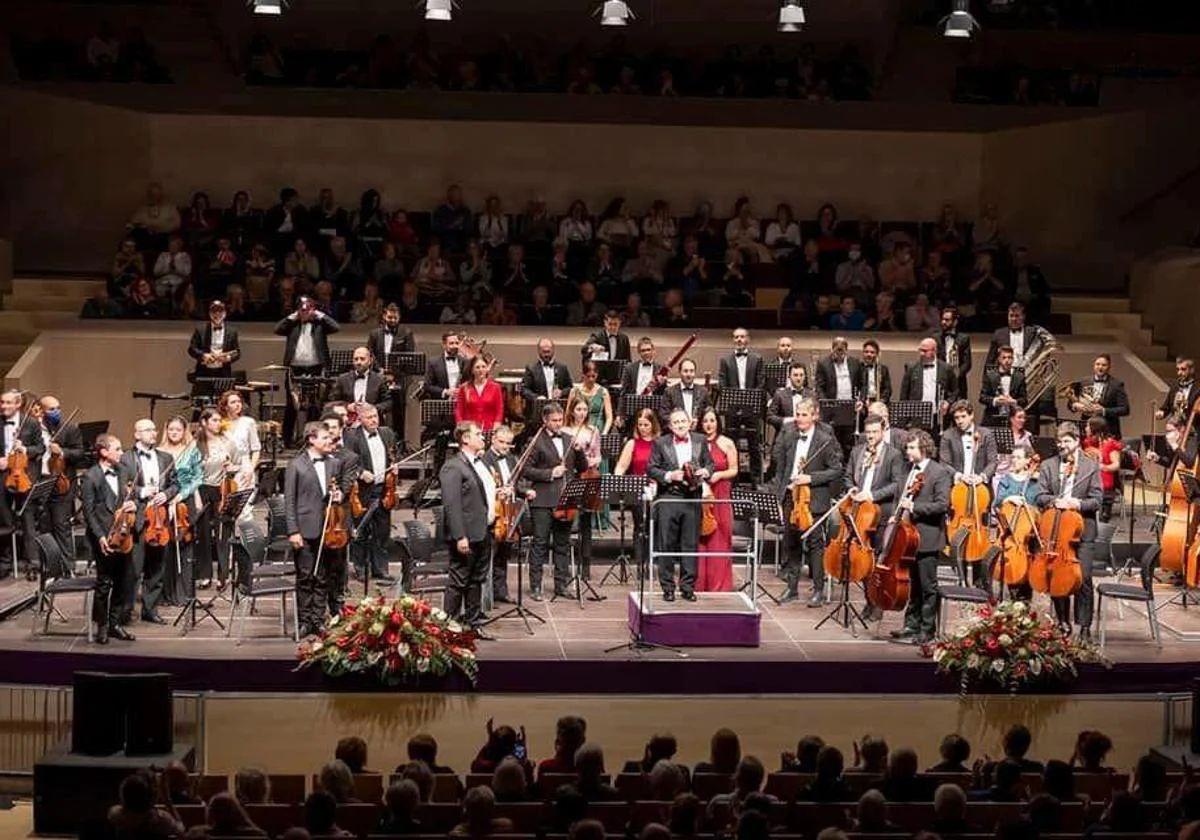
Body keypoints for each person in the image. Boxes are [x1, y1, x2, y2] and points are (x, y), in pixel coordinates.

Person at [1036, 423, 1103, 639]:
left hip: (1083, 530)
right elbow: (1040, 496)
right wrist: (1057, 500)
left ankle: (1084, 626)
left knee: (1082, 577)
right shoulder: (1048, 465)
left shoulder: (1090, 466)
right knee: (1057, 574)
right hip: (1056, 531)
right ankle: (1063, 621)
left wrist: (1077, 504)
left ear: (1077, 442)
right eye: (1059, 441)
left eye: (1067, 441)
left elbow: (1097, 500)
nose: (1062, 445)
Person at [774, 398, 843, 606]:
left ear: (815, 415)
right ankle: (792, 588)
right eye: (797, 413)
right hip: (791, 498)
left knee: (815, 544)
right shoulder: (789, 437)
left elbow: (836, 470)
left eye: (804, 414)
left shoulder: (825, 440)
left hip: (814, 499)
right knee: (792, 542)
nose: (799, 418)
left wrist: (810, 479)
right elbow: (782, 468)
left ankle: (818, 590)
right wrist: (781, 494)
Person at [284, 421, 350, 637]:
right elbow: (290, 501)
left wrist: (339, 495)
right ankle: (304, 620)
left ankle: (318, 619)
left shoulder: (334, 463)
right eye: (324, 437)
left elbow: (337, 491)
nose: (329, 440)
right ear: (311, 439)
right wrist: (293, 530)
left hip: (328, 528)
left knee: (323, 576)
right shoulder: (296, 465)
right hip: (304, 529)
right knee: (305, 576)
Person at [889, 430, 953, 645]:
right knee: (912, 584)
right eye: (907, 447)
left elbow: (942, 505)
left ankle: (927, 629)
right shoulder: (907, 469)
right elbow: (900, 496)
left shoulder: (939, 472)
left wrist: (915, 507)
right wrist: (894, 516)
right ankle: (910, 625)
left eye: (912, 447)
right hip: (906, 536)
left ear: (924, 448)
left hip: (927, 536)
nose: (908, 451)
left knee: (927, 586)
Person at [441, 422, 501, 637]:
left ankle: (474, 623)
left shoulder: (479, 463)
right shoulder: (453, 466)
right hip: (466, 534)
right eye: (478, 434)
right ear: (465, 438)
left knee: (476, 579)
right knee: (459, 580)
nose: (482, 437)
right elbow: (452, 504)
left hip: (482, 531)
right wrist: (460, 536)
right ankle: (449, 625)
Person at [117, 418, 180, 625]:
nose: (153, 433)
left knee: (157, 568)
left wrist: (166, 494)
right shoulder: (126, 458)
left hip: (159, 519)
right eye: (147, 430)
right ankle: (125, 611)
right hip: (138, 518)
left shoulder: (166, 457)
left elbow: (175, 484)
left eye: (154, 429)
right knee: (133, 569)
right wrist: (143, 491)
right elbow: (122, 487)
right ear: (137, 434)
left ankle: (150, 609)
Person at [647, 410, 714, 602]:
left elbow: (711, 464)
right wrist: (669, 476)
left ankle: (687, 587)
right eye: (676, 422)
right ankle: (667, 587)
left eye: (683, 421)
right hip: (669, 497)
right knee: (666, 543)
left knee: (690, 544)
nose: (680, 425)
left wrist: (705, 471)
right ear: (670, 426)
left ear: (690, 423)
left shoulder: (700, 440)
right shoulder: (661, 442)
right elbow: (651, 468)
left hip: (692, 498)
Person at [524, 404, 587, 600]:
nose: (558, 424)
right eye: (554, 421)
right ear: (545, 420)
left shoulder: (569, 439)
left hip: (564, 500)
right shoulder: (535, 441)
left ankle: (562, 584)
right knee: (540, 543)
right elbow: (526, 470)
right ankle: (535, 586)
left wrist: (580, 452)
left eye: (560, 420)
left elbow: (582, 467)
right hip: (542, 500)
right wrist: (550, 473)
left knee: (562, 543)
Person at [81, 434, 137, 643]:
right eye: (118, 449)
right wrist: (101, 537)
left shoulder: (123, 471)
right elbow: (88, 513)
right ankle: (102, 626)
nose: (122, 453)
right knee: (104, 583)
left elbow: (132, 497)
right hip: (103, 537)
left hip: (124, 535)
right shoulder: (90, 477)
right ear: (104, 452)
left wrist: (134, 505)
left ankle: (115, 624)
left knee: (124, 581)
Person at [342, 404, 397, 583]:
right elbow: (348, 462)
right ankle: (360, 567)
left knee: (382, 530)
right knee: (361, 529)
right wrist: (361, 473)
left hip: (384, 489)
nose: (374, 420)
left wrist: (395, 465)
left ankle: (380, 569)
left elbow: (394, 454)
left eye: (375, 416)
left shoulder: (387, 433)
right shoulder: (352, 436)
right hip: (363, 491)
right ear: (360, 419)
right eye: (369, 417)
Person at [276, 297, 340, 444]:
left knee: (315, 405)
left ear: (313, 310)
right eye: (302, 310)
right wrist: (293, 316)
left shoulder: (320, 324)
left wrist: (319, 315)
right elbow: (277, 329)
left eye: (308, 309)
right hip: (295, 368)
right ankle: (287, 440)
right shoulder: (292, 324)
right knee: (292, 405)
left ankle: (313, 439)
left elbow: (336, 327)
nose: (305, 313)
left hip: (316, 368)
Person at [193, 408, 242, 590]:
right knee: (204, 534)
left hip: (222, 489)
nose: (218, 423)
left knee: (223, 532)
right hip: (203, 488)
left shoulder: (227, 441)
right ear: (204, 422)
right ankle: (204, 575)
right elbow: (192, 473)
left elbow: (239, 463)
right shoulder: (196, 444)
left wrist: (232, 468)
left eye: (219, 420)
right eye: (214, 420)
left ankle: (223, 576)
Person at [0, 390, 45, 578]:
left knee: (28, 521)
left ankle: (32, 564)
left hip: (24, 477)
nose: (4, 406)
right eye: (2, 402)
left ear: (18, 404)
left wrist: (25, 449)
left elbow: (40, 448)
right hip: (2, 477)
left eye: (8, 403)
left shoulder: (31, 423)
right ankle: (5, 563)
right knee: (3, 520)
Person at [38, 394, 86, 569]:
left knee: (61, 525)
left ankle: (68, 567)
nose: (56, 412)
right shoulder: (35, 430)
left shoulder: (69, 428)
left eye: (58, 408)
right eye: (51, 409)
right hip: (40, 482)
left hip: (62, 483)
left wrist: (63, 451)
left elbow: (80, 453)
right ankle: (49, 566)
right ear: (41, 410)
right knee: (44, 525)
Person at [562, 391, 603, 582]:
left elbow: (598, 455)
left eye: (585, 409)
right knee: (568, 520)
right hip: (571, 477)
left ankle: (585, 565)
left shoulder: (593, 430)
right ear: (572, 411)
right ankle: (564, 566)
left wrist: (589, 460)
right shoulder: (564, 431)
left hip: (588, 476)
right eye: (578, 409)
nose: (582, 413)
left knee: (586, 523)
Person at [697, 408, 738, 592]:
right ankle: (699, 583)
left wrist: (719, 474)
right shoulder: (696, 442)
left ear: (718, 422)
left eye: (712, 420)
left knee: (719, 537)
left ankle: (718, 585)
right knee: (701, 538)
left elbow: (734, 469)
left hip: (720, 493)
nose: (708, 424)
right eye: (705, 421)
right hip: (702, 494)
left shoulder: (727, 443)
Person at [994, 443, 1040, 599]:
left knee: (1026, 574)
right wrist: (1009, 497)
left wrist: (1026, 499)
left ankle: (1024, 604)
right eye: (1013, 457)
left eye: (1018, 457)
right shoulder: (1007, 479)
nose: (1014, 460)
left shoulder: (1034, 481)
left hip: (1027, 534)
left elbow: (1036, 503)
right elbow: (997, 502)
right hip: (1009, 533)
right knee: (1009, 567)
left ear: (1028, 460)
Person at [718, 328, 765, 480]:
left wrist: (752, 401)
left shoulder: (757, 359)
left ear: (747, 339)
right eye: (736, 337)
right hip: (732, 409)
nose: (739, 339)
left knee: (754, 445)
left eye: (742, 337)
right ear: (733, 339)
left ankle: (756, 479)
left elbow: (761, 382)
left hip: (751, 409)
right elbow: (722, 383)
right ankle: (733, 479)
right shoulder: (725, 360)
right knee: (731, 445)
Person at [1067, 353, 1130, 439]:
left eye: (1104, 365)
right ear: (1094, 366)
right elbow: (1070, 404)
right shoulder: (1084, 382)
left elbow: (1125, 409)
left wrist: (1103, 410)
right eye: (1098, 364)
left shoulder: (1116, 384)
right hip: (1087, 430)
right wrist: (1075, 405)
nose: (1100, 367)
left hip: (1108, 431)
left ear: (1109, 367)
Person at [898, 338, 956, 431]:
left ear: (934, 351)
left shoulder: (946, 368)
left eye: (925, 351)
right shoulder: (911, 368)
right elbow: (904, 394)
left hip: (938, 416)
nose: (921, 353)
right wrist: (905, 418)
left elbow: (955, 391)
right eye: (920, 350)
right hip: (917, 415)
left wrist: (948, 402)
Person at [517, 339, 573, 429]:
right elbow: (524, 390)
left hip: (558, 412)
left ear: (553, 350)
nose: (546, 354)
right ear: (538, 351)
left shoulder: (562, 367)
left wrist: (561, 392)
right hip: (537, 413)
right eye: (544, 352)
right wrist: (537, 397)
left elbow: (570, 388)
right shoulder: (531, 368)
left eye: (548, 351)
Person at [329, 346, 391, 418]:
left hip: (372, 421)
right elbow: (332, 402)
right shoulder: (342, 379)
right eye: (356, 359)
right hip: (348, 421)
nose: (358, 362)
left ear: (370, 361)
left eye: (362, 359)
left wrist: (372, 408)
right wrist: (347, 406)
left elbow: (388, 402)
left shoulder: (379, 379)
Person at [186, 301, 240, 378]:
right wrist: (203, 355)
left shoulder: (232, 332)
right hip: (203, 372)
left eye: (220, 311)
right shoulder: (200, 330)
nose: (217, 314)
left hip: (223, 373)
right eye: (214, 311)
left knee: (224, 390)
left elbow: (237, 352)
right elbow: (192, 349)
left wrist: (228, 358)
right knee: (202, 390)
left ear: (225, 314)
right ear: (209, 313)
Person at [1084, 416, 1123, 522]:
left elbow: (1116, 465)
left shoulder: (1110, 445)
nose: (1085, 428)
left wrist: (1102, 467)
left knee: (1101, 520)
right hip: (1089, 483)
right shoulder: (1088, 442)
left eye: (1088, 426)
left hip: (1104, 485)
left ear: (1095, 429)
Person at [980, 345, 1027, 427]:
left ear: (1013, 359)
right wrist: (995, 401)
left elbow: (1024, 400)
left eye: (1010, 357)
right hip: (993, 417)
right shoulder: (990, 375)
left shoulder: (1019, 377)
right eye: (1004, 357)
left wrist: (1014, 402)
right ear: (998, 359)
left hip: (1013, 418)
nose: (1007, 360)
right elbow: (982, 398)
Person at [935, 306, 973, 402]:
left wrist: (957, 374)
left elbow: (967, 363)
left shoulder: (964, 338)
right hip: (941, 381)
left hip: (958, 382)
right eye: (942, 319)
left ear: (955, 322)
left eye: (947, 320)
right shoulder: (935, 337)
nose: (943, 322)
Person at [660, 359, 710, 431]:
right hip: (675, 432)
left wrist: (699, 422)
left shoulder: (703, 391)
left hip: (698, 433)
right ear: (680, 372)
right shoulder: (669, 392)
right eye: (685, 371)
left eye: (691, 371)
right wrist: (679, 423)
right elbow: (663, 415)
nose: (689, 374)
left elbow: (709, 412)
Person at [855, 339, 892, 407]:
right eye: (866, 352)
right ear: (863, 353)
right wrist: (861, 401)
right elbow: (856, 388)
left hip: (879, 404)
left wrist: (880, 402)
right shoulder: (858, 368)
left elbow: (888, 389)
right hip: (862, 404)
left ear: (877, 354)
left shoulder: (883, 369)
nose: (869, 354)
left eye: (872, 352)